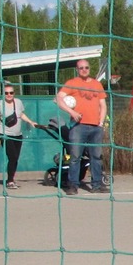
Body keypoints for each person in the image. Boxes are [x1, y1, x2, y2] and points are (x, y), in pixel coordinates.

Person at [56, 59, 108, 195]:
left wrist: (101, 122)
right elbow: (58, 99)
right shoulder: (72, 83)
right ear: (77, 70)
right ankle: (73, 186)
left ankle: (97, 185)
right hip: (78, 126)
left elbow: (103, 105)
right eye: (81, 68)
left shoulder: (97, 84)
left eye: (86, 67)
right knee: (75, 157)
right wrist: (72, 112)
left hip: (96, 127)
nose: (84, 70)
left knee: (96, 157)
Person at [0, 82, 33, 190]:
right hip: (5, 135)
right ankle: (9, 181)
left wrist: (30, 121)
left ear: (14, 93)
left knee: (15, 158)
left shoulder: (18, 102)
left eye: (11, 92)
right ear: (3, 94)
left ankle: (11, 179)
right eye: (6, 93)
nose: (9, 95)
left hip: (18, 135)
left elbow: (21, 114)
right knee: (12, 157)